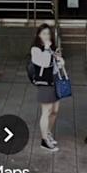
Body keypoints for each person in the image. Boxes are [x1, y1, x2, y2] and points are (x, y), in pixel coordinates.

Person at [30, 24, 64, 152]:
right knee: (47, 110)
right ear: (38, 35)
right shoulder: (36, 49)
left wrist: (59, 59)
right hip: (44, 82)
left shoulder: (52, 48)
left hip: (55, 80)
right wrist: (46, 49)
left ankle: (48, 132)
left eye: (48, 34)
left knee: (55, 110)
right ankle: (44, 141)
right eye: (43, 33)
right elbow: (43, 62)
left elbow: (59, 64)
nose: (46, 36)